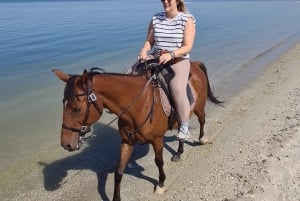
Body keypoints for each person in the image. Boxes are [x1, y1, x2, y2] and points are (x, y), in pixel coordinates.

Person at [137, 0, 196, 140]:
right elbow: (149, 41)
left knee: (177, 89)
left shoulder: (186, 19)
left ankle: (184, 127)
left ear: (177, 1)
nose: (165, 1)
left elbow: (188, 46)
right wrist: (144, 50)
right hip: (156, 56)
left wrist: (171, 54)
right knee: (131, 73)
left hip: (178, 59)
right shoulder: (156, 18)